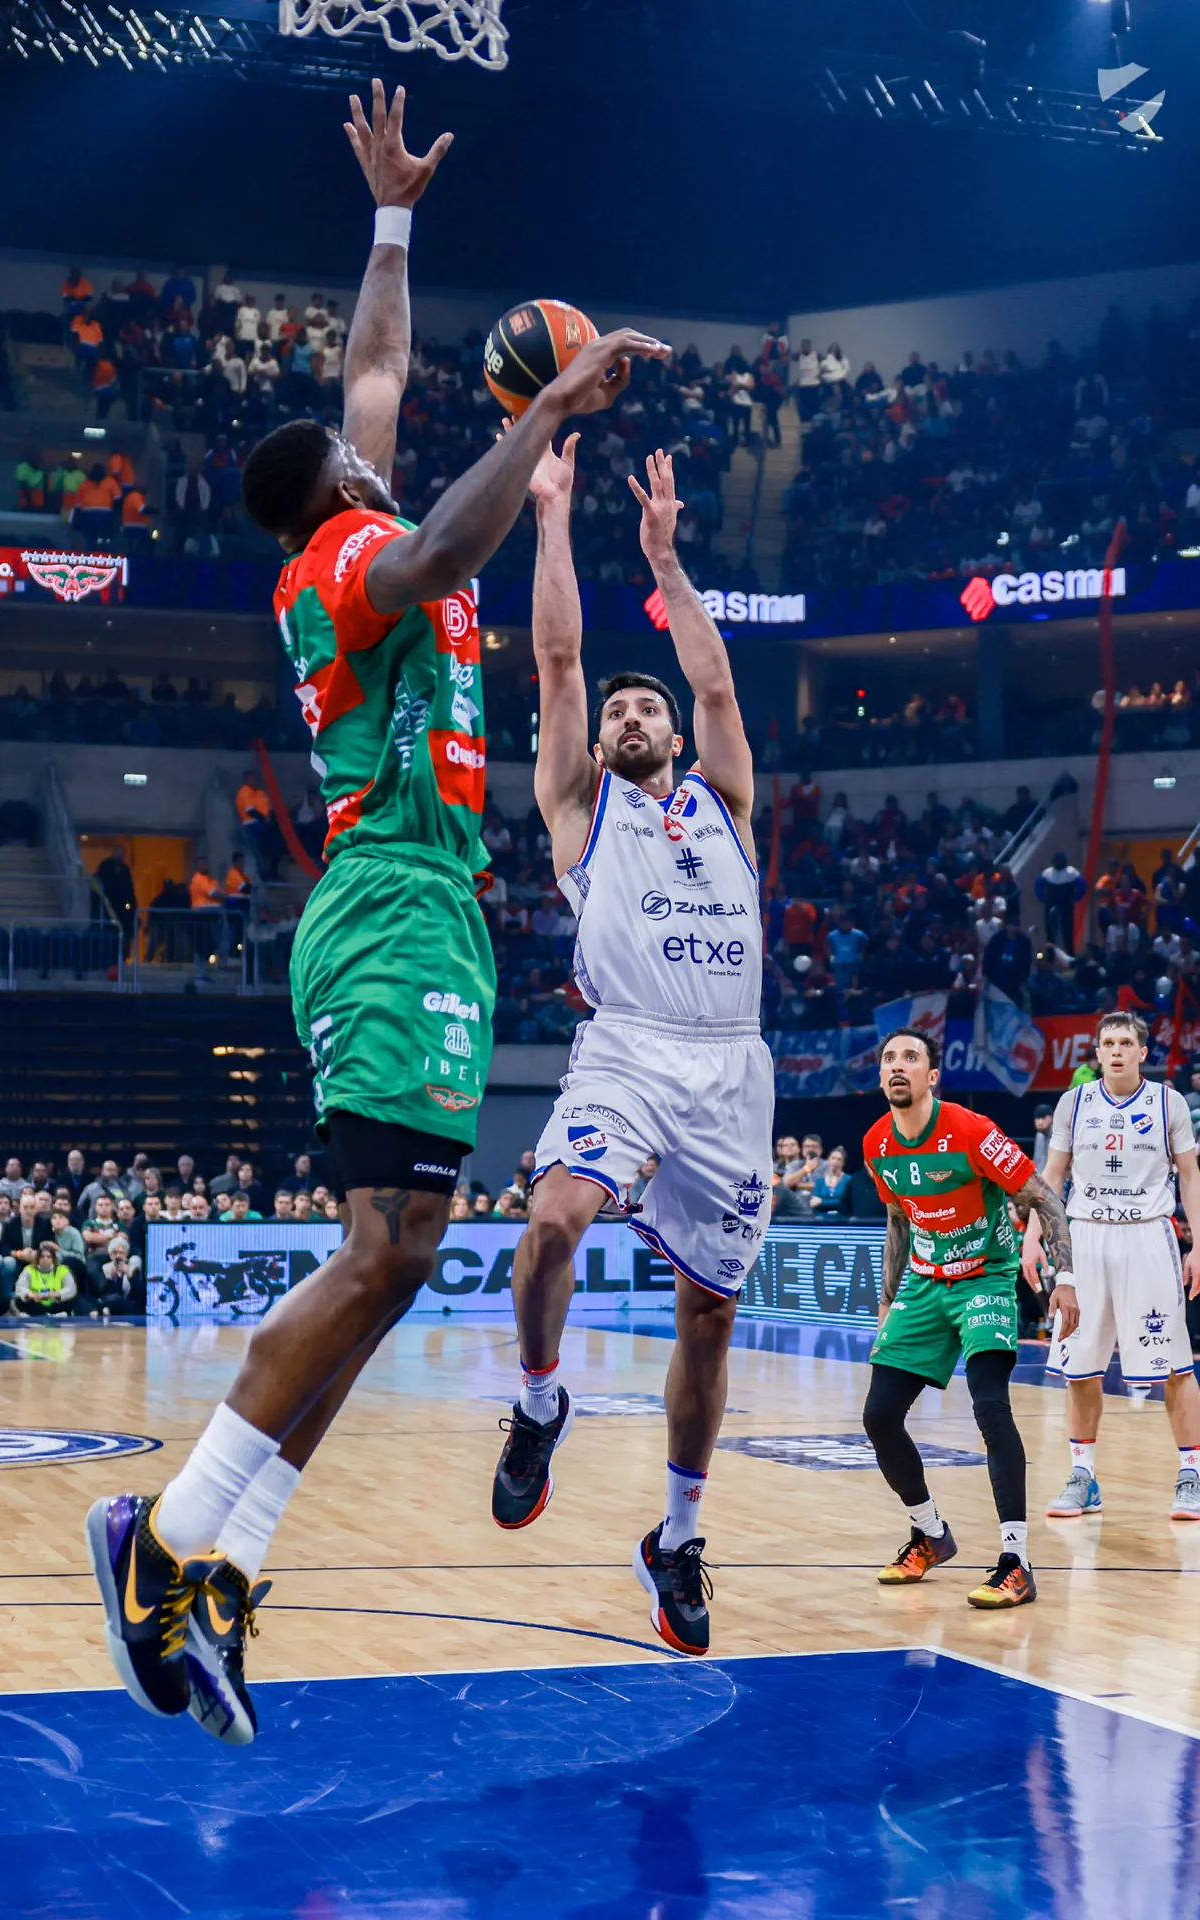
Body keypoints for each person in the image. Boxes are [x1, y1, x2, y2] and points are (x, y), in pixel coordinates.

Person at [86, 78, 670, 1749]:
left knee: (406, 1260)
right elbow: (428, 549)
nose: (379, 439)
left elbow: (376, 373)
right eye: (364, 457)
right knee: (377, 1252)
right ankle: (163, 1533)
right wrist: (547, 410)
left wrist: (392, 221)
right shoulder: (345, 561)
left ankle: (228, 1570)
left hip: (432, 907)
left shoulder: (351, 508)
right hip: (392, 902)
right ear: (335, 489)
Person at [490, 438, 770, 1658]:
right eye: (619, 711)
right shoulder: (580, 807)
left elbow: (718, 687)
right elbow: (558, 658)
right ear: (599, 746)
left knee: (708, 1317)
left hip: (734, 1068)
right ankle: (540, 1401)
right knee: (552, 1223)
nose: (634, 713)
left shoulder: (726, 802)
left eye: (648, 705)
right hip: (628, 1053)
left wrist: (665, 561)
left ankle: (678, 1539)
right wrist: (552, 517)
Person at [862, 1028, 1074, 1610]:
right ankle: (930, 1532)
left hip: (985, 1276)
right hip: (924, 1282)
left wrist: (1066, 1276)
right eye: (889, 1058)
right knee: (879, 1416)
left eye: (911, 1057)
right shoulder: (877, 1143)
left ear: (932, 1076)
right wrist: (887, 1301)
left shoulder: (971, 1131)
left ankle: (1016, 1561)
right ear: (880, 1076)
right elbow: (899, 1221)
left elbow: (1044, 1198)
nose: (898, 1066)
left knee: (990, 1407)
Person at [1029, 1011, 1200, 1522]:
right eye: (1107, 1043)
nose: (1115, 1051)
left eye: (1125, 1043)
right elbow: (1051, 1176)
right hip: (1085, 1238)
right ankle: (1082, 1477)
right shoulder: (1074, 1103)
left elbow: (1190, 1176)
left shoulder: (1168, 1102)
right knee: (1079, 1364)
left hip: (1148, 1236)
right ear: (1097, 1052)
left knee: (1175, 1364)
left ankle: (1191, 1477)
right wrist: (1032, 1237)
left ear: (1141, 1052)